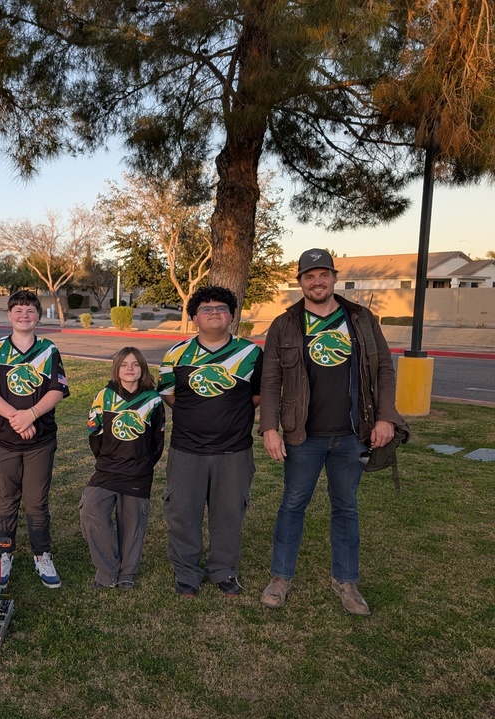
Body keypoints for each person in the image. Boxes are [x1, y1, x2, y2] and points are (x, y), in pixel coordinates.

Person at [259, 248, 405, 616]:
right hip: (302, 436)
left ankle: (346, 580)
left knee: (346, 507)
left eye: (323, 274)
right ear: (300, 282)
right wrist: (269, 429)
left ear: (334, 277)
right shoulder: (285, 323)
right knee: (293, 504)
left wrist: (386, 417)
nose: (317, 281)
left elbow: (384, 370)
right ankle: (281, 577)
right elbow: (271, 379)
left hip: (352, 434)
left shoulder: (359, 318)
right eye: (310, 276)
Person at [158, 287, 262, 597]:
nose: (214, 311)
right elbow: (168, 393)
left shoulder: (252, 353)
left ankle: (223, 569)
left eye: (221, 307)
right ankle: (187, 571)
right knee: (182, 511)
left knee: (229, 512)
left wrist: (228, 415)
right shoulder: (176, 353)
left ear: (232, 316)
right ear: (193, 318)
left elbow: (257, 395)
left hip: (234, 449)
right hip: (187, 448)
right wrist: (198, 416)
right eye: (206, 308)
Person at [0, 290, 69, 588]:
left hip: (39, 440)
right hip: (4, 438)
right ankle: (3, 553)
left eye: (30, 310)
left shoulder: (48, 349)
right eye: (18, 309)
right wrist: (17, 419)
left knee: (36, 501)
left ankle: (41, 554)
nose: (24, 314)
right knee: (6, 498)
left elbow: (56, 390)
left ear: (38, 316)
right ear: (9, 315)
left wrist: (31, 414)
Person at [80, 347, 164, 590]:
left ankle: (127, 573)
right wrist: (107, 458)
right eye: (125, 364)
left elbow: (158, 439)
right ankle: (107, 570)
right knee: (91, 511)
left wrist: (145, 462)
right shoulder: (104, 396)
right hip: (107, 471)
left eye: (135, 364)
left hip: (138, 472)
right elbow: (94, 433)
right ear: (117, 369)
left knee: (132, 524)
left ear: (142, 369)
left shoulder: (153, 399)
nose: (130, 368)